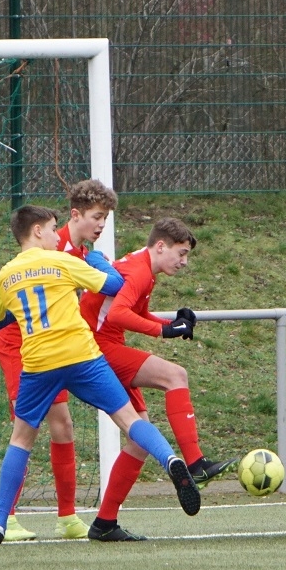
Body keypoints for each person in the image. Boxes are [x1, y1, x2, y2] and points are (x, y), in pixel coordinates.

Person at [0, 205, 200, 546]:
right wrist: (97, 261)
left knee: (21, 439)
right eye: (53, 228)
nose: (57, 236)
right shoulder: (62, 262)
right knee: (129, 419)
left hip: (39, 363)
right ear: (37, 231)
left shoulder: (6, 275)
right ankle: (169, 458)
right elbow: (114, 284)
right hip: (82, 356)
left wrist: (19, 308)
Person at [79, 217, 239, 541]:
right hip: (96, 348)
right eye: (181, 253)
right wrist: (164, 331)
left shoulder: (143, 267)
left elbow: (131, 312)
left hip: (100, 345)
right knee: (175, 375)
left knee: (139, 441)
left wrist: (172, 323)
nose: (184, 262)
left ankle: (104, 523)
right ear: (161, 246)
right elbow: (118, 314)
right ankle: (195, 463)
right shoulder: (140, 271)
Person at [0, 179, 117, 542]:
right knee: (25, 429)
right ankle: (6, 518)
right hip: (20, 344)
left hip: (55, 349)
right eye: (97, 217)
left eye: (105, 218)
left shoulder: (81, 254)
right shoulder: (51, 244)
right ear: (76, 216)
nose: (101, 225)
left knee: (63, 426)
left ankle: (67, 517)